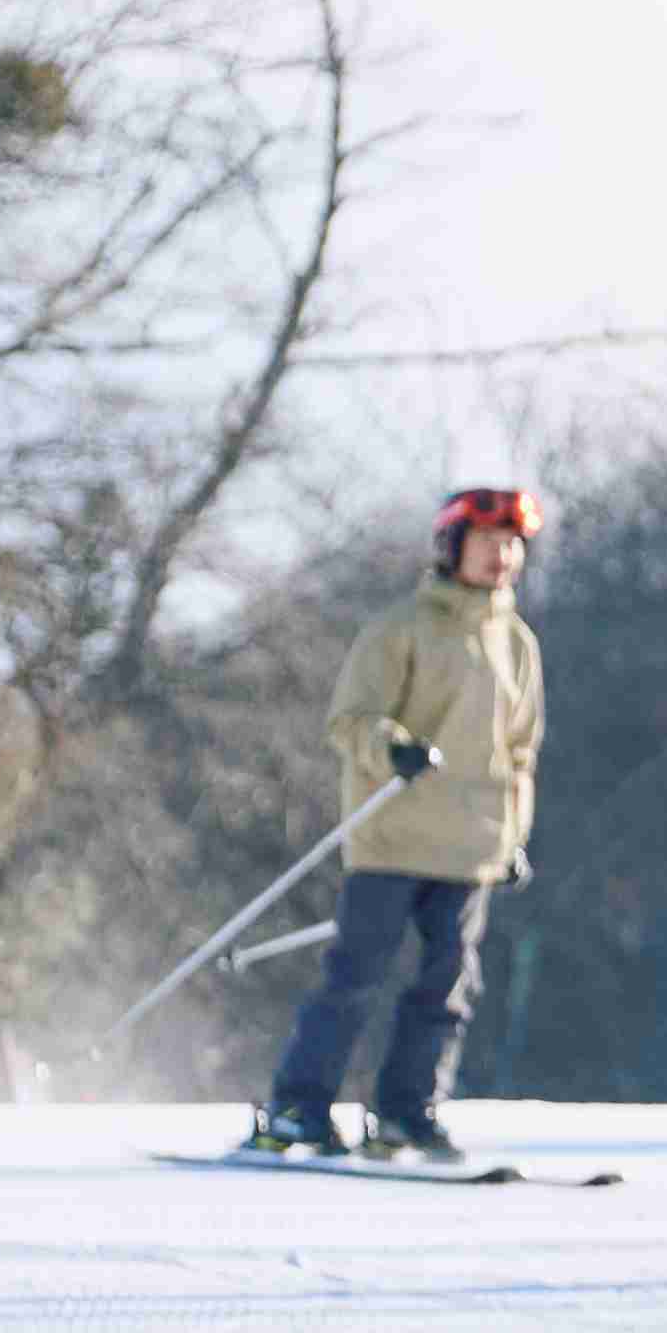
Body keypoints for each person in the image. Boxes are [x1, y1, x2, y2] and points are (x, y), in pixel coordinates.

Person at [247, 485, 548, 1162]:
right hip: (394, 837)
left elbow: (520, 753)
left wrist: (513, 838)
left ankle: (407, 1112)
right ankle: (299, 1108)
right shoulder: (401, 628)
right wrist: (394, 748)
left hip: (471, 846)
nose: (501, 557)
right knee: (356, 976)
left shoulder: (518, 645)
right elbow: (349, 720)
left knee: (447, 988)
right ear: (452, 548)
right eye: (487, 543)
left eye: (511, 545)